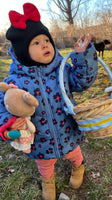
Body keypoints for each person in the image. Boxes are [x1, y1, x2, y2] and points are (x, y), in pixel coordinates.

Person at [0, 3, 98, 200]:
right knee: (45, 164)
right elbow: (4, 107)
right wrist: (8, 124)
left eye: (46, 40)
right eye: (36, 43)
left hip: (67, 130)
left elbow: (81, 81)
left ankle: (78, 167)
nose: (45, 44)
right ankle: (47, 181)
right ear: (22, 52)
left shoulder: (62, 70)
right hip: (40, 139)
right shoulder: (15, 83)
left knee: (74, 153)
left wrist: (82, 57)